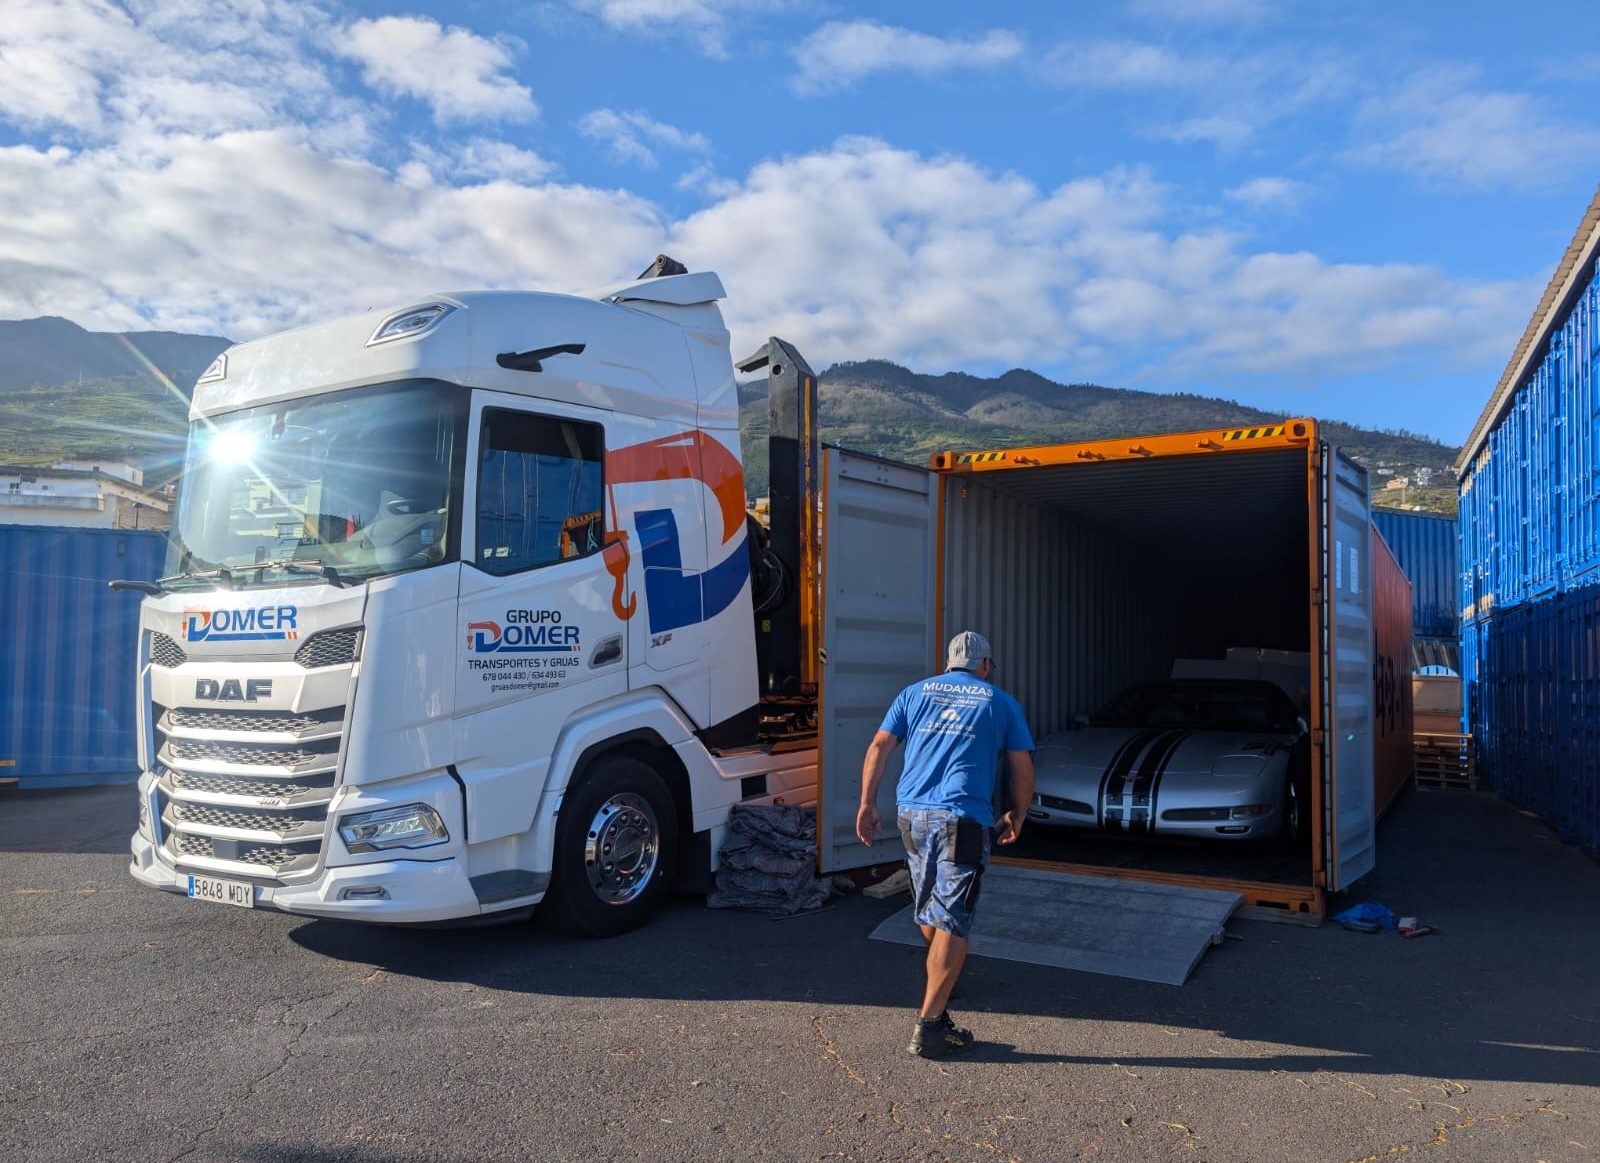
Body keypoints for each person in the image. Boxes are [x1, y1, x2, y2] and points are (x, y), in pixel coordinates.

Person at [856, 630, 1035, 1059]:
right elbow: (1022, 768)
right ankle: (931, 1027)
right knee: (953, 919)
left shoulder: (914, 693)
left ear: (948, 662)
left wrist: (866, 803)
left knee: (930, 909)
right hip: (962, 820)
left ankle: (942, 978)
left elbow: (879, 745)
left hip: (912, 816)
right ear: (985, 665)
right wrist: (1018, 813)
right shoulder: (999, 702)